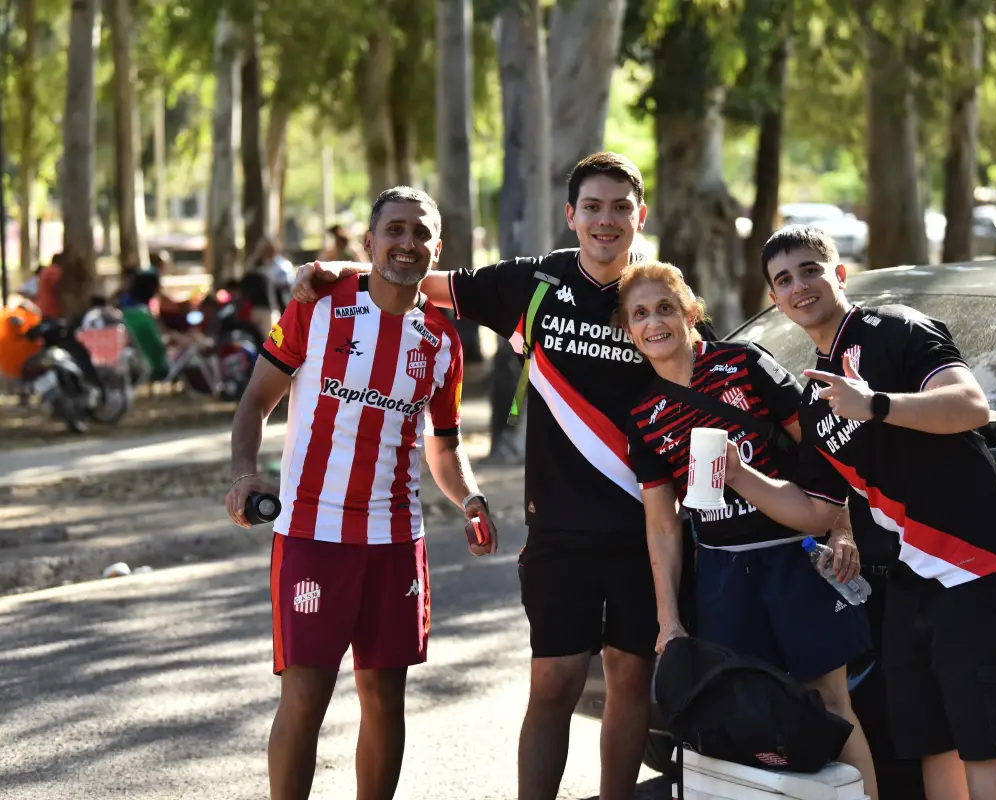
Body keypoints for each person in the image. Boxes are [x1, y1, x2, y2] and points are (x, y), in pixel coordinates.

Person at [292, 152, 666, 800]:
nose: (606, 220)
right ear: (571, 215)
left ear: (641, 216)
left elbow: (703, 384)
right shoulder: (534, 283)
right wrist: (335, 272)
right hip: (559, 529)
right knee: (555, 683)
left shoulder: (659, 295)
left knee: (631, 679)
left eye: (620, 208)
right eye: (593, 207)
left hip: (647, 525)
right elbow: (419, 277)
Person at [725, 224, 996, 800]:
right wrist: (739, 476)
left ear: (840, 274)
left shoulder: (897, 328)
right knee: (934, 742)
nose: (800, 286)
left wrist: (876, 404)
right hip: (910, 580)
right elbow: (816, 510)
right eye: (784, 280)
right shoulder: (815, 397)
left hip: (980, 566)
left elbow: (970, 406)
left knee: (986, 743)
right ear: (775, 300)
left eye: (810, 270)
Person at [224, 185, 499, 800]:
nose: (407, 243)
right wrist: (244, 472)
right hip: (312, 533)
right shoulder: (317, 304)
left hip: (396, 542)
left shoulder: (443, 342)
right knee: (306, 696)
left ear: (437, 248)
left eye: (421, 233)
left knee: (384, 700)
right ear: (370, 241)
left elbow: (444, 447)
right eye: (394, 230)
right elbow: (255, 403)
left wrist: (471, 499)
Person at [615, 260, 879, 799]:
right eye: (639, 314)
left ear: (690, 313)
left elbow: (823, 448)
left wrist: (844, 529)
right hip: (722, 574)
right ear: (628, 330)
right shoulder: (643, 413)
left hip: (797, 555)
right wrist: (669, 621)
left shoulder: (743, 363)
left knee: (831, 705)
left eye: (665, 308)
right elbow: (661, 525)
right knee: (743, 716)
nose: (654, 322)